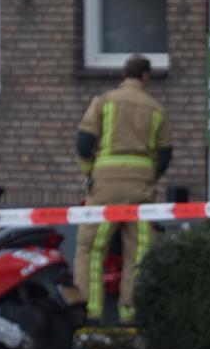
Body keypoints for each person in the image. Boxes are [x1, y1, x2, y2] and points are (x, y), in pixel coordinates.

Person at [73, 54, 171, 324]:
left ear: (123, 75)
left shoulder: (104, 102)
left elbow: (83, 142)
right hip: (140, 187)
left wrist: (89, 172)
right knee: (138, 250)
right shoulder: (156, 109)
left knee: (91, 247)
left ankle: (90, 312)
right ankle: (131, 313)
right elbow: (164, 155)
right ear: (146, 76)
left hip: (106, 185)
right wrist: (150, 178)